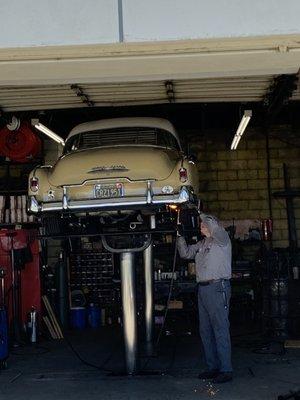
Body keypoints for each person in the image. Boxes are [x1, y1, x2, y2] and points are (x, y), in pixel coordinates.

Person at [177, 212, 233, 383]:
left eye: (204, 224)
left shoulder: (222, 239)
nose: (201, 226)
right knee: (205, 330)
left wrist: (200, 213)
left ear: (212, 225)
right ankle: (213, 367)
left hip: (217, 287)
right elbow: (185, 254)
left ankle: (226, 369)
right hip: (203, 289)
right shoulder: (202, 243)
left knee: (220, 328)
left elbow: (213, 226)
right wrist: (179, 236)